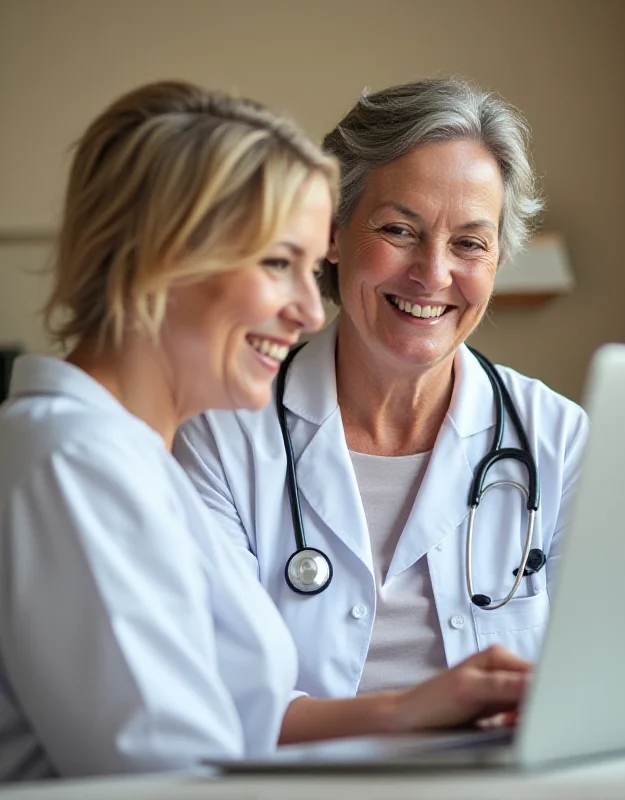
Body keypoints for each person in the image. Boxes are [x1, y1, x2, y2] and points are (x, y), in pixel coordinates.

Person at [0, 80, 531, 782]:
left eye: (310, 269)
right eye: (279, 264)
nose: (312, 311)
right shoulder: (72, 461)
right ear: (162, 256)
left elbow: (232, 725)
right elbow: (167, 774)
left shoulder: (128, 456)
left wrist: (417, 709)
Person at [174, 77, 589, 700]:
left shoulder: (556, 437)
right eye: (399, 230)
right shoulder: (222, 433)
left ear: (497, 262)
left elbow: (594, 672)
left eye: (469, 244)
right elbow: (216, 693)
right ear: (334, 234)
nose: (432, 274)